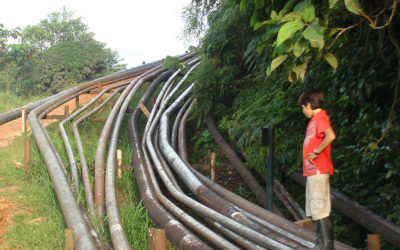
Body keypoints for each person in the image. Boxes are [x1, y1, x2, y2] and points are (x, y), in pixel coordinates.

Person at [298, 88, 336, 250]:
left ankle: (327, 245)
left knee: (320, 208)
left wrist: (316, 152)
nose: (303, 111)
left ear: (308, 105)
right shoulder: (314, 121)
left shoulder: (320, 118)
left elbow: (330, 136)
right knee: (315, 207)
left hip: (319, 169)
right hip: (313, 171)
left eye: (303, 108)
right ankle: (319, 242)